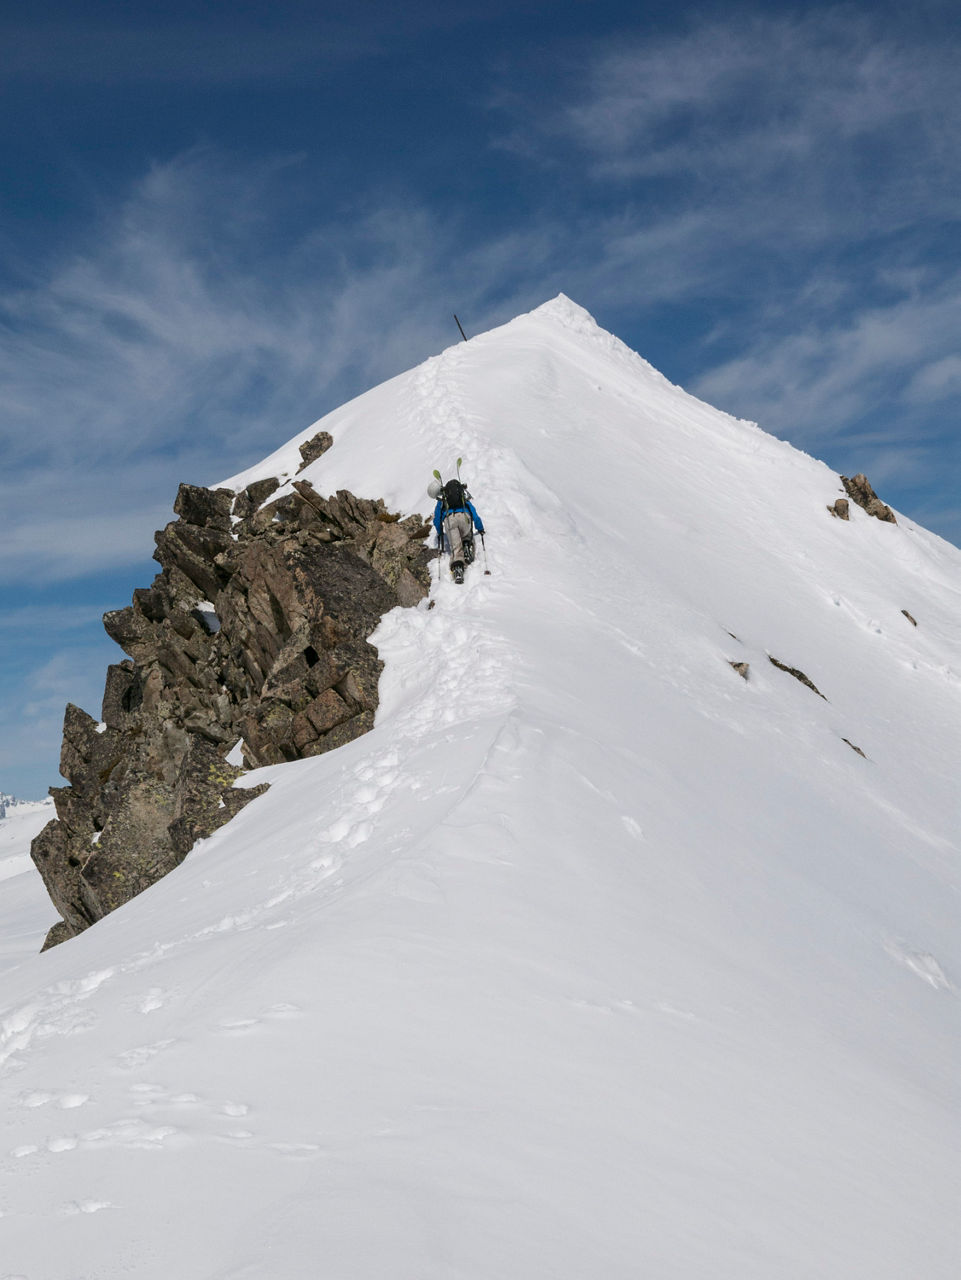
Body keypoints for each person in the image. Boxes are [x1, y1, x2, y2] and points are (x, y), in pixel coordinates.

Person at [429, 476, 485, 583]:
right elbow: (474, 513)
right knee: (467, 535)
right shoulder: (463, 496)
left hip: (450, 520)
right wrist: (480, 528)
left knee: (456, 548)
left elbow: (437, 519)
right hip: (464, 517)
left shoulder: (442, 499)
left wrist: (440, 532)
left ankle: (458, 569)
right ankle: (467, 545)